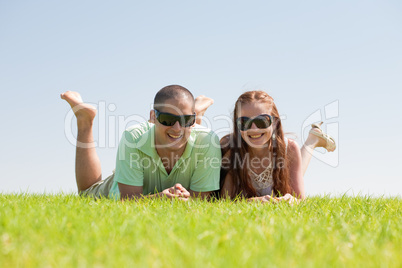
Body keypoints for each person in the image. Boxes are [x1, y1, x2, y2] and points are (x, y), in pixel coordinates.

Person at [61, 85, 221, 200]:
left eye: (186, 119)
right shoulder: (133, 137)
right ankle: (84, 119)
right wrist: (159, 199)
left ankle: (190, 115)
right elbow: (128, 201)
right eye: (168, 119)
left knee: (180, 133)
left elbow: (200, 202)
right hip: (127, 180)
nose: (177, 127)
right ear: (152, 117)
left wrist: (183, 200)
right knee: (86, 194)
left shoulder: (208, 141)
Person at [219, 91, 336, 203]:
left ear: (275, 123)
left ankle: (312, 140)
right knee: (290, 170)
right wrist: (251, 202)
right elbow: (223, 203)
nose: (254, 129)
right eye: (244, 122)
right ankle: (313, 138)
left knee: (291, 166)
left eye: (262, 121)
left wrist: (293, 200)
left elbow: (300, 199)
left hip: (284, 151)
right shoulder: (230, 150)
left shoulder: (289, 148)